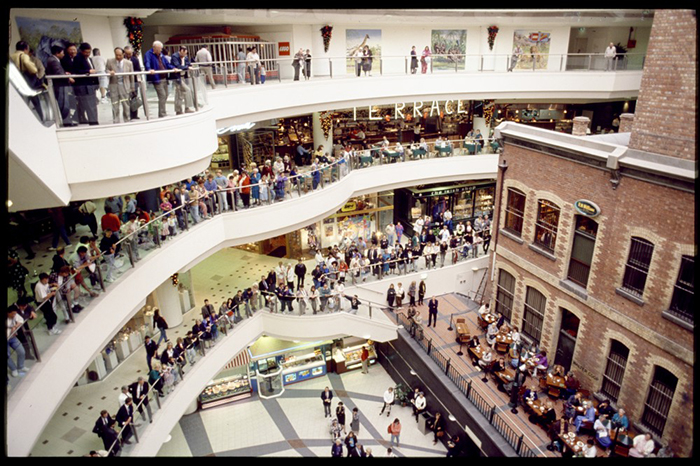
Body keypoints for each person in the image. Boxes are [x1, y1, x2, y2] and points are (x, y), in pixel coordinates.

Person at [143, 41, 175, 118]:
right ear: (155, 48)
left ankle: (162, 111)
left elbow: (166, 64)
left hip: (164, 78)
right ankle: (162, 114)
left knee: (166, 94)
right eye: (159, 48)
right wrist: (149, 69)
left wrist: (173, 68)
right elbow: (147, 63)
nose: (161, 50)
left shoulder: (161, 55)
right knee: (162, 95)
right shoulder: (148, 54)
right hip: (156, 78)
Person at [72, 43, 99, 125]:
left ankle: (94, 120)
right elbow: (76, 71)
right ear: (81, 51)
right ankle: (93, 121)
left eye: (89, 52)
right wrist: (87, 71)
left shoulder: (89, 59)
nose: (88, 54)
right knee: (89, 105)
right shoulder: (77, 58)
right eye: (86, 52)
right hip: (84, 86)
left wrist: (97, 82)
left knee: (93, 104)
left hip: (91, 85)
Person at [170, 46, 195, 115]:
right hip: (177, 77)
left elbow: (188, 64)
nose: (185, 55)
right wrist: (187, 67)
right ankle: (180, 109)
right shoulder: (175, 56)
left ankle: (184, 108)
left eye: (186, 53)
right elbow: (178, 66)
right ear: (180, 51)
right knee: (183, 91)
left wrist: (187, 66)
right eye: (183, 53)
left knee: (181, 93)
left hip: (184, 77)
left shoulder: (186, 57)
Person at [7, 306, 29, 378]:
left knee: (21, 351)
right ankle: (13, 369)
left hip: (12, 337)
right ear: (8, 313)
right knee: (7, 356)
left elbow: (21, 320)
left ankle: (20, 367)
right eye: (12, 314)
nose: (14, 315)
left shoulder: (14, 315)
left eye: (15, 314)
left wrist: (15, 326)